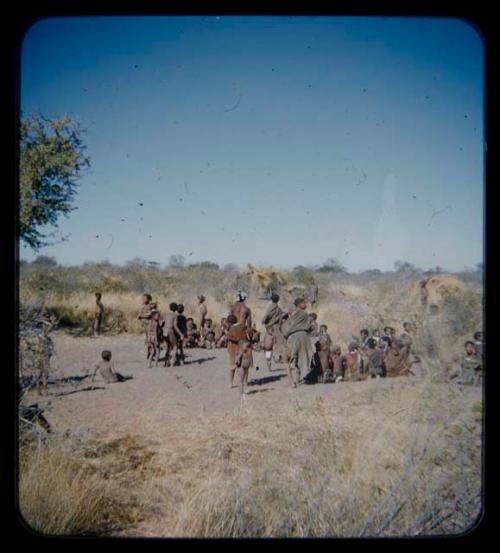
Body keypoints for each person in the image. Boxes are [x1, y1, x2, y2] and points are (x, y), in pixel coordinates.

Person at [283, 297, 313, 388]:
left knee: (286, 359)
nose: (305, 304)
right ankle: (297, 380)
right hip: (304, 337)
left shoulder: (292, 314)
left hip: (292, 337)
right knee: (299, 359)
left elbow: (286, 325)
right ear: (299, 304)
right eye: (303, 303)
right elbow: (309, 327)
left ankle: (291, 382)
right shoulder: (305, 315)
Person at [227, 314, 249, 388]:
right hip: (243, 349)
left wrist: (236, 339)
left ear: (229, 322)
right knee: (244, 367)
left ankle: (230, 383)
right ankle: (245, 382)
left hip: (234, 350)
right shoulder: (243, 326)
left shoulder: (232, 328)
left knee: (232, 367)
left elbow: (229, 337)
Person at [36, 316, 54, 396]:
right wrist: (47, 322)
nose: (48, 327)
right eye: (46, 325)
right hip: (43, 355)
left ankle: (42, 391)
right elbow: (50, 327)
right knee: (43, 373)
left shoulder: (46, 337)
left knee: (43, 373)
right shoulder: (42, 335)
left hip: (46, 355)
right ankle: (42, 391)